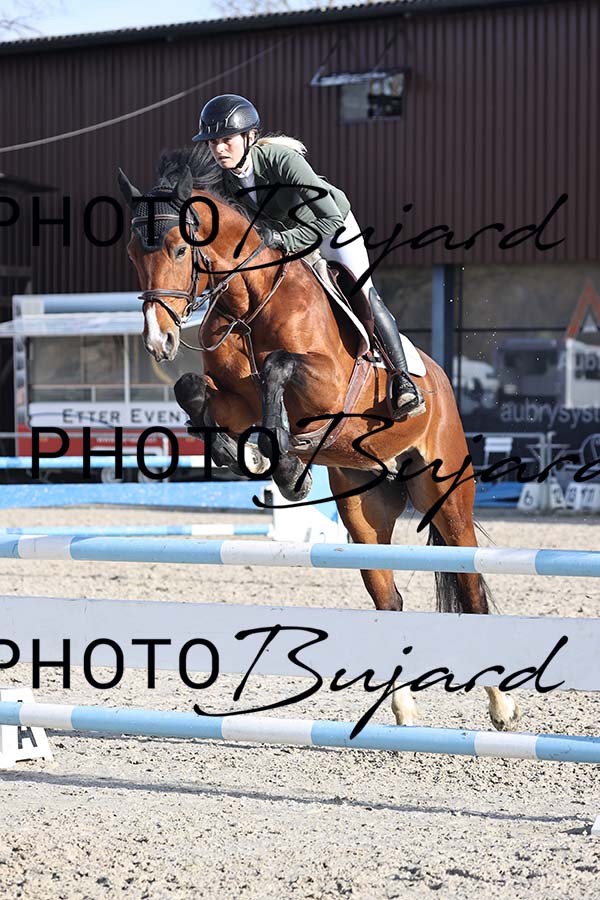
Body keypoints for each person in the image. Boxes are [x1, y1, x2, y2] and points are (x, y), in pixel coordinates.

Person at [192, 93, 423, 419]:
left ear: (250, 137)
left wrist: (282, 239)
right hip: (287, 238)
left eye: (226, 140)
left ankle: (402, 380)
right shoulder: (226, 181)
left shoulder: (282, 161)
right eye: (213, 142)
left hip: (333, 228)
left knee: (362, 291)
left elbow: (329, 219)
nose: (218, 149)